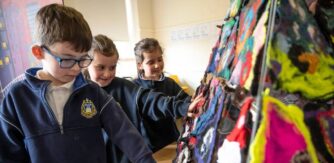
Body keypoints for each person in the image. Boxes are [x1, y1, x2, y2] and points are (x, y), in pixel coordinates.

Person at [0, 4, 155, 163]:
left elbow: (125, 132)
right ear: (39, 52)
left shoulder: (93, 93)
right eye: (67, 59)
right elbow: (9, 154)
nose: (76, 68)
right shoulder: (17, 98)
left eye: (82, 59)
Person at [84, 34, 202, 163]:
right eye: (101, 67)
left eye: (112, 67)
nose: (107, 74)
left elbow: (151, 100)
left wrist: (182, 107)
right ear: (86, 63)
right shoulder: (78, 93)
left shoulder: (125, 87)